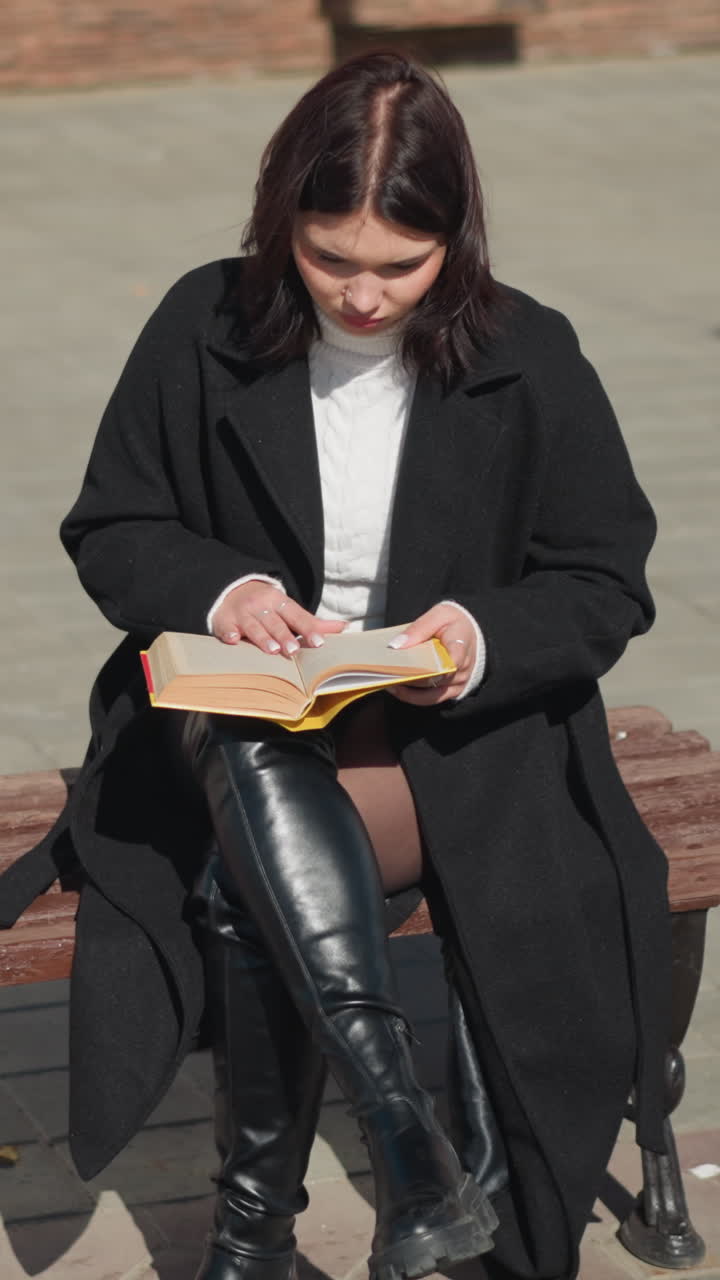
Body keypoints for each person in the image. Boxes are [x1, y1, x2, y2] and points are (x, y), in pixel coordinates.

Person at [0, 50, 672, 1280]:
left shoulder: (534, 353)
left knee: (256, 862)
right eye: (329, 258)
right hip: (235, 708)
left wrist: (474, 637)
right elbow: (113, 525)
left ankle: (254, 1230)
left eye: (399, 267)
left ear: (454, 240)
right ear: (280, 227)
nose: (363, 298)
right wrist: (227, 590)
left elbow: (604, 577)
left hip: (451, 734)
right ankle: (402, 1136)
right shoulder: (201, 322)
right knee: (243, 742)